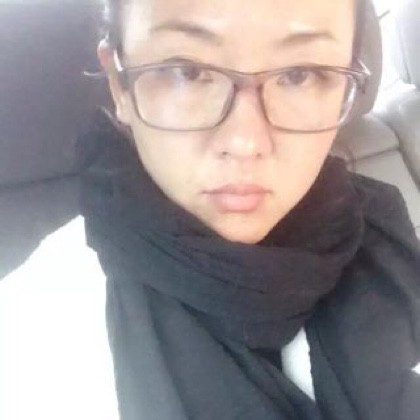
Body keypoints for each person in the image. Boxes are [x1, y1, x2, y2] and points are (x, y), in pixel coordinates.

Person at [1, 0, 419, 419]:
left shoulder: (385, 234)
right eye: (187, 71)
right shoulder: (33, 338)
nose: (245, 142)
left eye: (299, 74)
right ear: (119, 84)